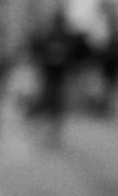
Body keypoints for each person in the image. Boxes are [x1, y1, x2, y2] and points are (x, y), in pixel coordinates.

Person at [28, 9, 88, 145]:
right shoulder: (48, 36)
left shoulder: (66, 38)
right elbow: (36, 48)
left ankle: (52, 132)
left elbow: (78, 53)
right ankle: (45, 129)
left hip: (59, 76)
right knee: (48, 103)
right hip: (49, 75)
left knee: (56, 105)